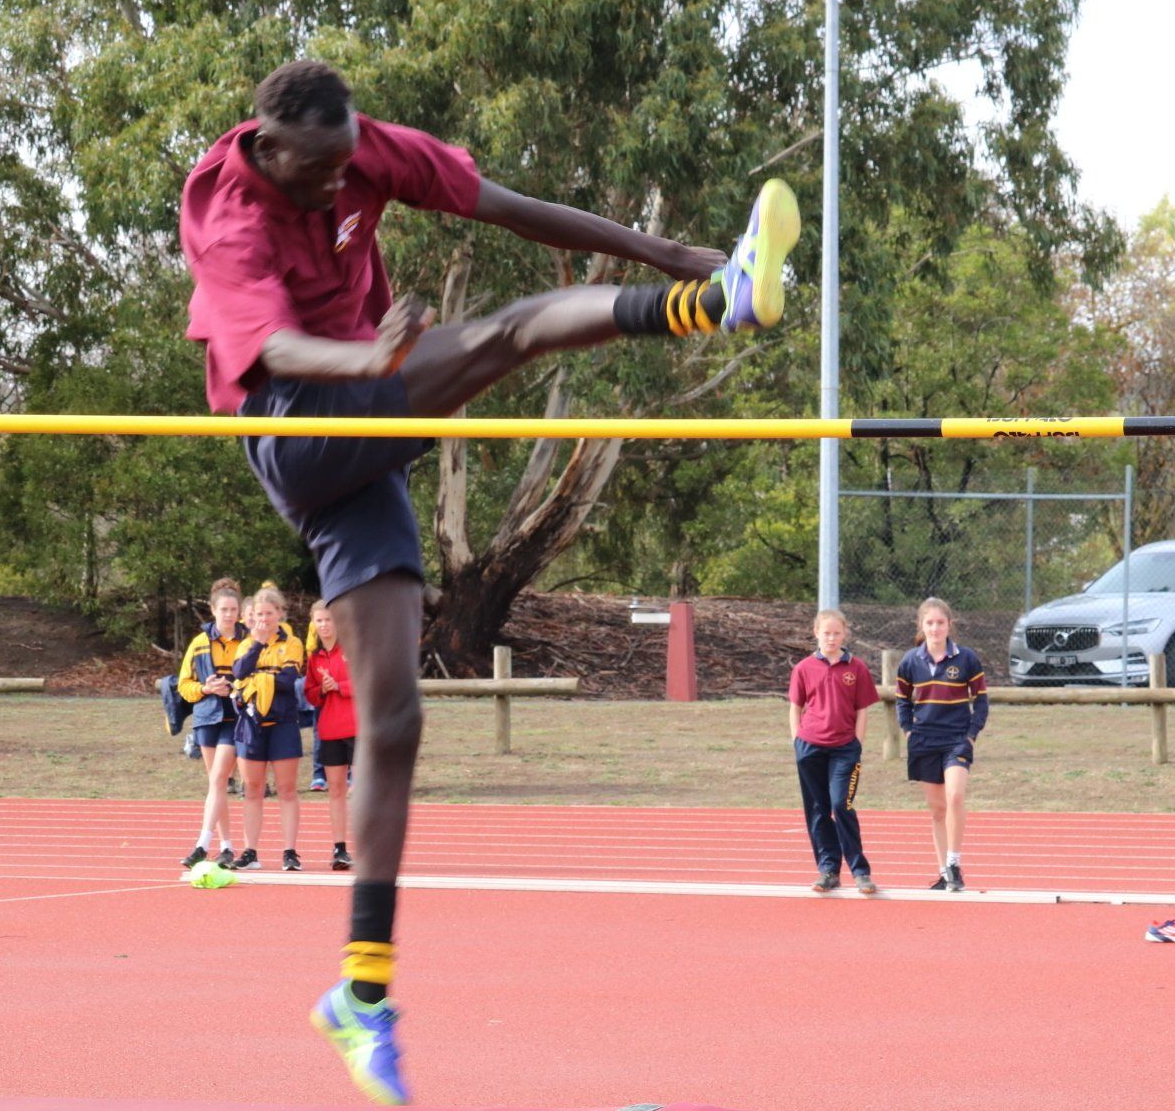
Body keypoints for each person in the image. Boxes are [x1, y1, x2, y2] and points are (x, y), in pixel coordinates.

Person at [180, 59, 796, 1104]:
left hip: (365, 449)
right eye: (317, 171)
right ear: (269, 144)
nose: (338, 185)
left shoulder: (358, 147)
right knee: (511, 330)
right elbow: (272, 342)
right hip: (300, 419)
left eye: (346, 165)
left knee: (396, 719)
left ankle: (360, 994)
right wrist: (369, 360)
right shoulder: (227, 206)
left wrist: (658, 243)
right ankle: (719, 304)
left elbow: (508, 206)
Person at [895, 597, 988, 892]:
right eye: (930, 623)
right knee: (937, 810)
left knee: (955, 796)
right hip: (924, 741)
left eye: (940, 622)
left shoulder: (966, 658)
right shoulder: (910, 660)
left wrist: (971, 734)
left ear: (949, 625)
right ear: (921, 626)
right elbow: (901, 700)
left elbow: (982, 701)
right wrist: (909, 732)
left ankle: (954, 863)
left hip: (956, 740)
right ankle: (942, 874)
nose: (935, 628)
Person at [788, 610, 881, 895]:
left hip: (844, 749)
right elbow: (795, 707)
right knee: (817, 809)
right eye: (826, 633)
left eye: (836, 633)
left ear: (845, 634)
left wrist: (857, 743)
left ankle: (860, 871)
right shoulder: (803, 668)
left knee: (842, 804)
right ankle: (828, 870)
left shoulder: (857, 668)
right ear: (816, 632)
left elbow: (861, 710)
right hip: (810, 747)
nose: (831, 638)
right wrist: (797, 742)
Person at [229, 585, 307, 872]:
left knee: (287, 789)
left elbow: (289, 681)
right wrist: (259, 644)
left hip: (283, 722)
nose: (263, 619)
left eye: (269, 614)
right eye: (259, 614)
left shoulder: (292, 643)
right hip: (251, 723)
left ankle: (290, 851)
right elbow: (238, 672)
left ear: (280, 614)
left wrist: (256, 680)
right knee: (252, 789)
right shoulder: (247, 642)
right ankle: (250, 851)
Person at [177, 579, 246, 869]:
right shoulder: (199, 643)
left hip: (235, 717)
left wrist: (233, 688)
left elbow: (255, 677)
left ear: (240, 611)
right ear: (213, 610)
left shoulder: (248, 640)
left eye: (233, 609)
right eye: (224, 610)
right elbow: (184, 685)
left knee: (219, 779)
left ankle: (202, 844)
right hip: (207, 718)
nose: (229, 615)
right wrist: (206, 689)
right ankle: (227, 846)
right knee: (215, 785)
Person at [307, 599, 357, 870]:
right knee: (336, 790)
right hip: (330, 730)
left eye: (329, 619)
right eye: (319, 620)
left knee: (363, 790)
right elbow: (310, 695)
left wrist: (340, 685)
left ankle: (373, 848)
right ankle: (340, 849)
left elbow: (370, 680)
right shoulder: (313, 657)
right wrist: (323, 690)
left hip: (359, 728)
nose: (324, 625)